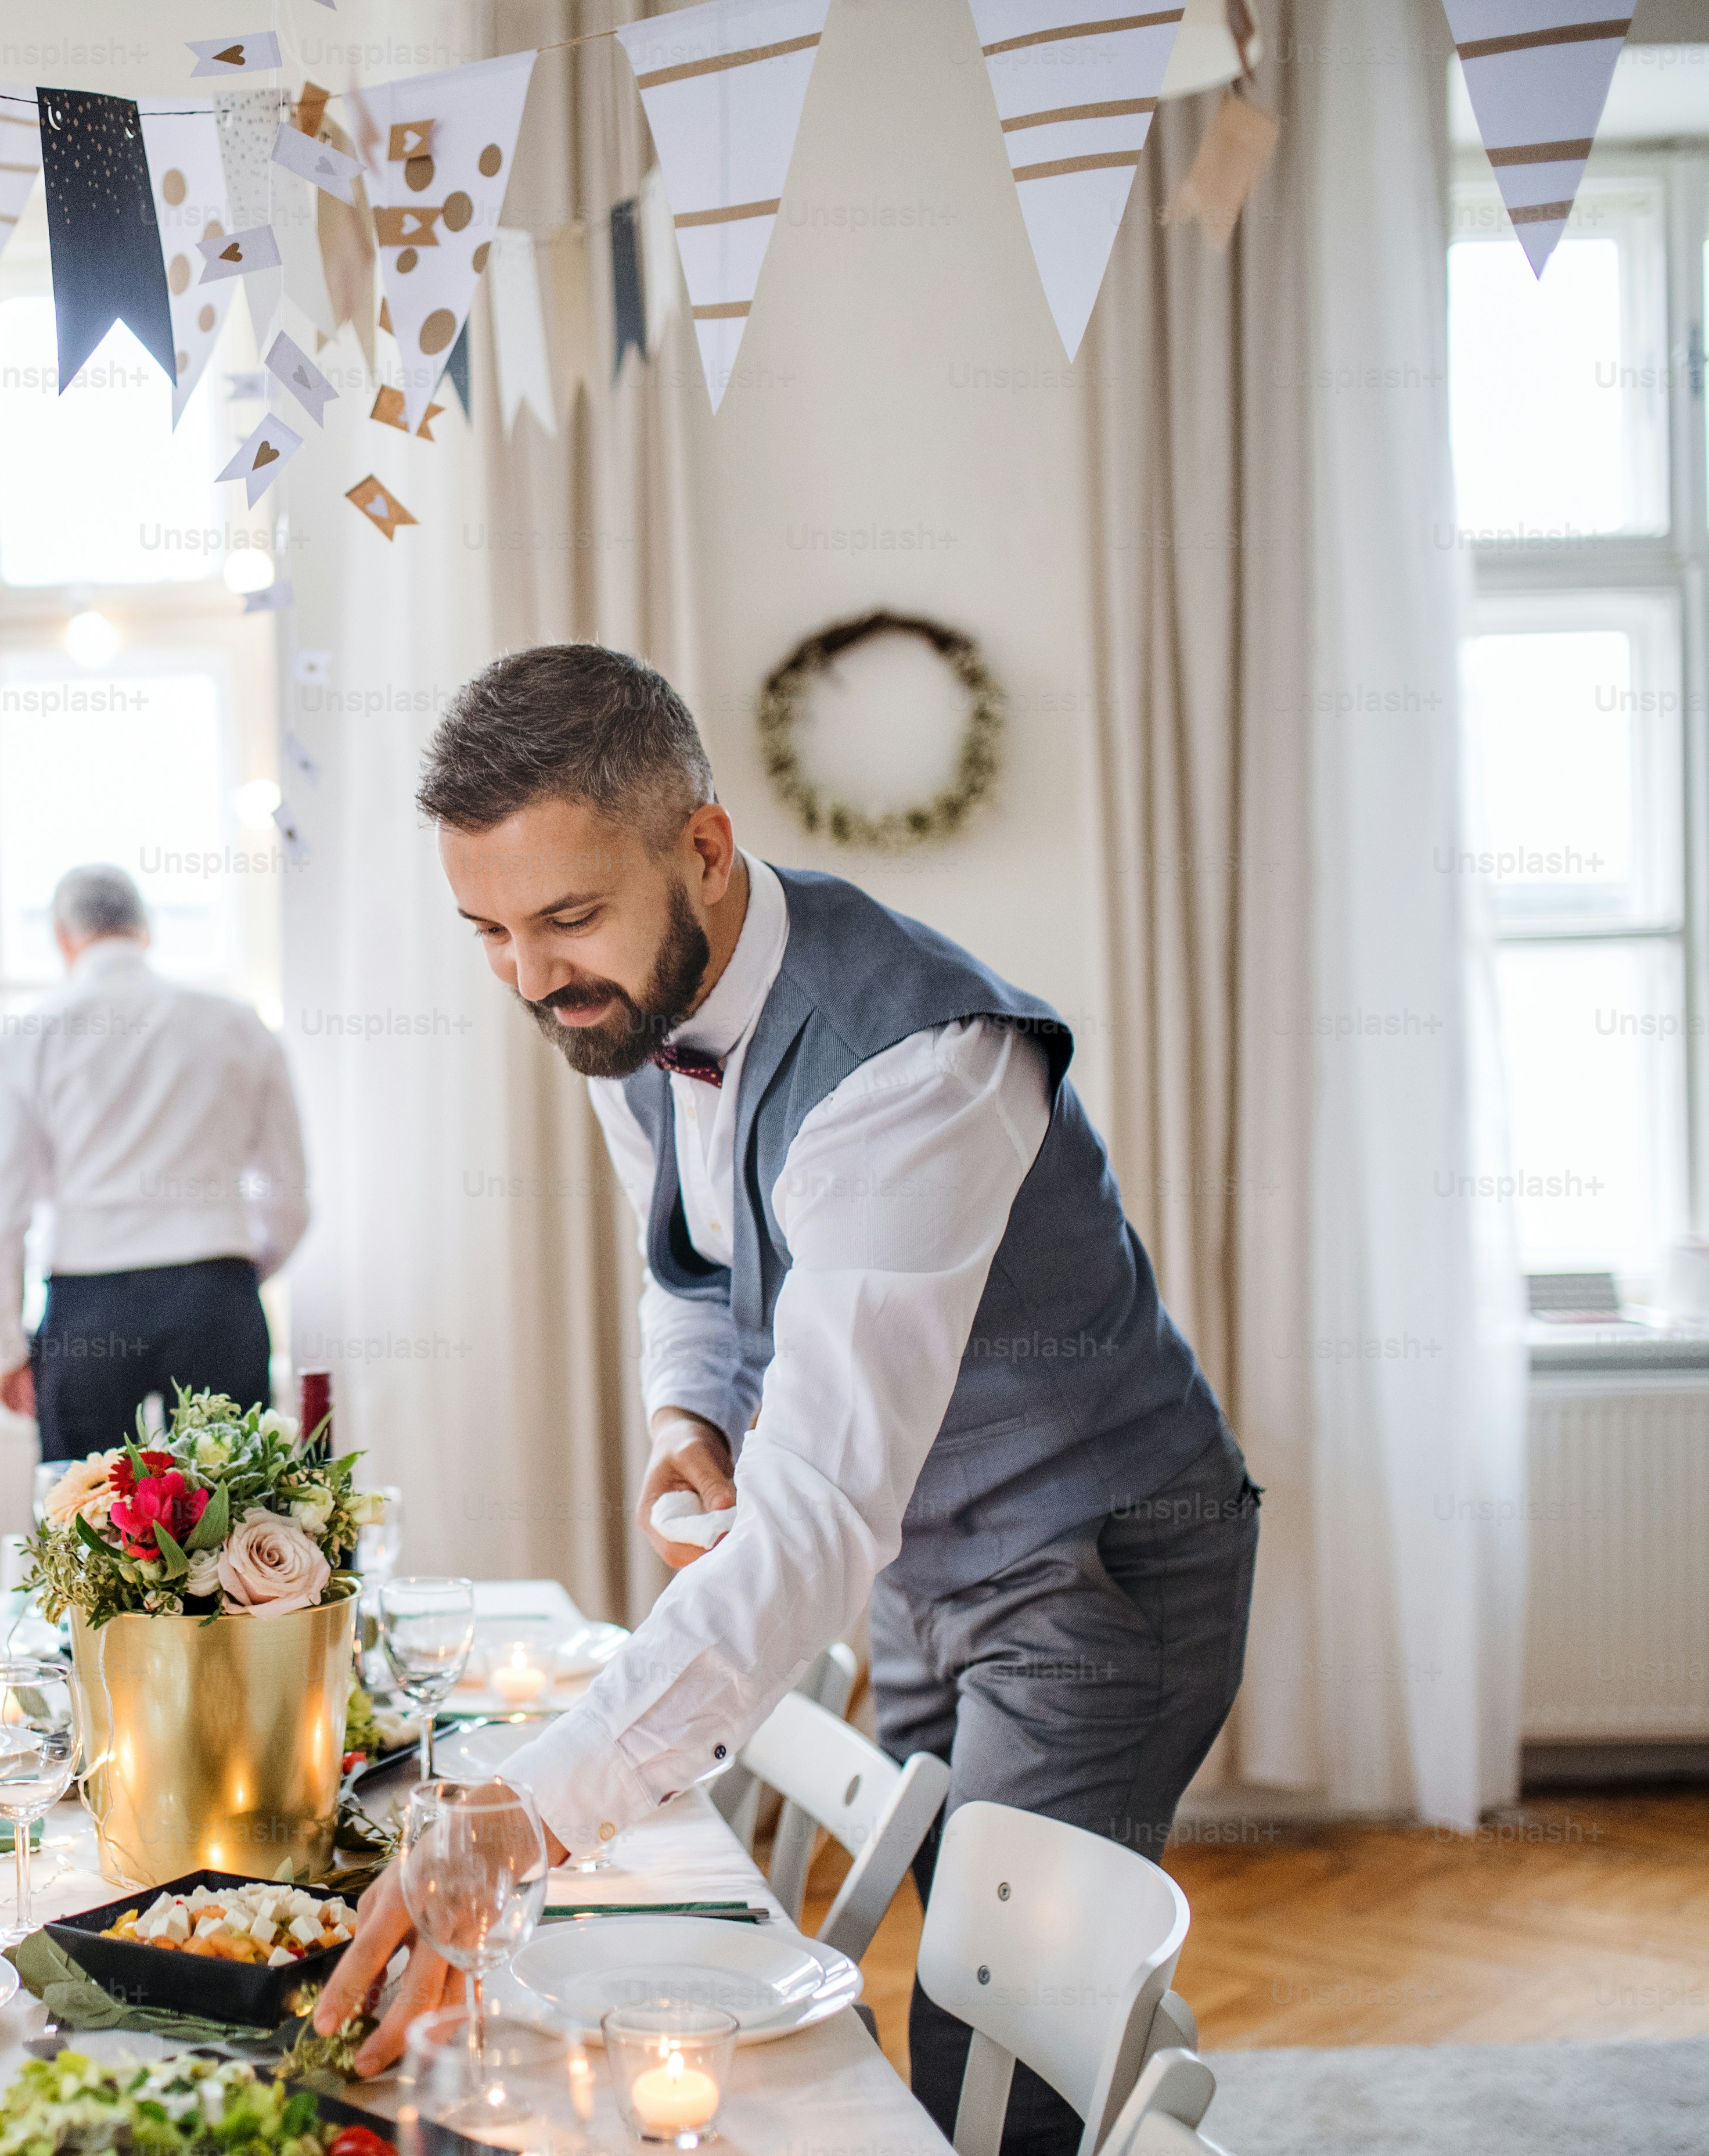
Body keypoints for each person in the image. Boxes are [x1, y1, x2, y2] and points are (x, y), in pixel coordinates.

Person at [312, 646, 1259, 2156]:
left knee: (991, 2047)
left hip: (1102, 1561)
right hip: (929, 1560)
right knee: (961, 1967)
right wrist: (687, 1418)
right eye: (486, 930)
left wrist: (532, 1809)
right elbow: (692, 1268)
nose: (531, 974)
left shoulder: (917, 1067)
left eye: (566, 917)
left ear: (704, 848)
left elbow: (814, 1519)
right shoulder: (626, 1003)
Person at [0, 864, 310, 1461]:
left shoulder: (29, 1036)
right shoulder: (237, 1023)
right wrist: (229, 1274)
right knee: (240, 1528)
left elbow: (2, 1211)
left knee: (88, 1526)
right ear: (146, 931)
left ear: (63, 937)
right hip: (215, 1291)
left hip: (88, 1304)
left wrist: (8, 1345)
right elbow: (288, 1196)